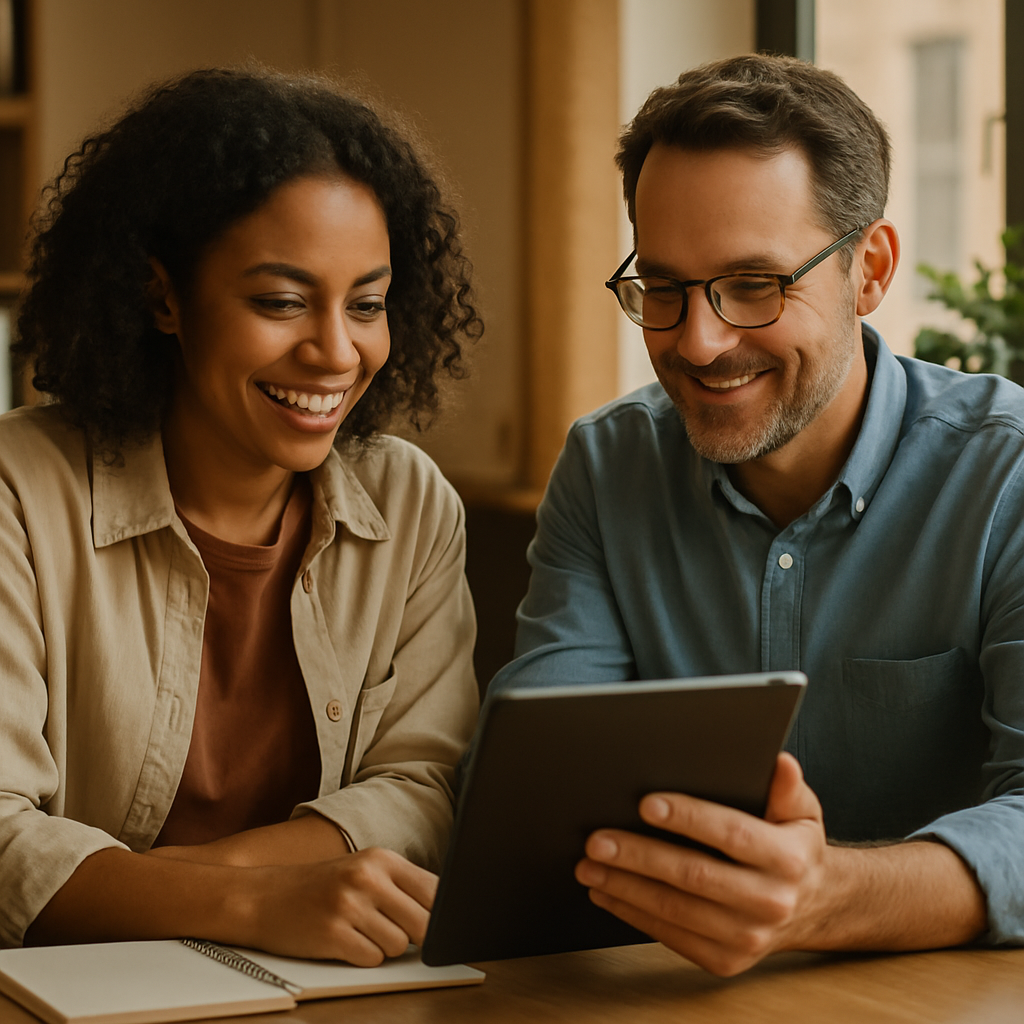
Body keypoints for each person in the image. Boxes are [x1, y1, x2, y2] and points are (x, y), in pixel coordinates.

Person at [489, 54, 1024, 975]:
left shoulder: (1006, 471)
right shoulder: (607, 465)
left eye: (754, 285)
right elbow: (534, 799)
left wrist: (826, 898)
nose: (699, 341)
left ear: (872, 271)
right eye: (663, 288)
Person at [0, 67, 482, 962]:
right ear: (163, 298)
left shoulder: (411, 505)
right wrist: (252, 906)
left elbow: (423, 788)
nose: (337, 350)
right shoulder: (17, 492)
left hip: (324, 982)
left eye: (367, 304)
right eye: (281, 302)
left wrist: (224, 889)